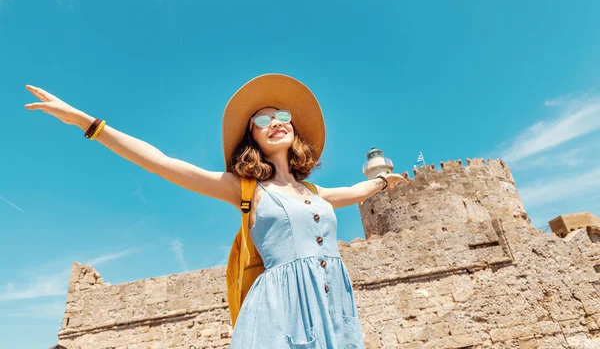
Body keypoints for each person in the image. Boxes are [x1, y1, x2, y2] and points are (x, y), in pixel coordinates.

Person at [24, 73, 409, 348]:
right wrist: (87, 123)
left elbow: (357, 190)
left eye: (282, 116)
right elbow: (162, 163)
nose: (275, 122)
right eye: (262, 120)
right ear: (252, 138)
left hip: (332, 308)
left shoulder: (315, 192)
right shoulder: (246, 190)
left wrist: (382, 182)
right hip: (279, 312)